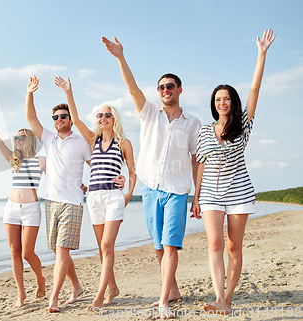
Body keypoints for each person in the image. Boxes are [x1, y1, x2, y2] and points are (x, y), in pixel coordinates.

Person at [103, 36, 201, 319]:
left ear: (179, 89)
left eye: (169, 86)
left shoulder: (192, 122)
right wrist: (121, 57)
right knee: (158, 246)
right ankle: (172, 290)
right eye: (161, 87)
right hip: (150, 188)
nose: (165, 90)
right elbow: (132, 88)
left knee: (170, 244)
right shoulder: (148, 113)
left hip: (177, 190)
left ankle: (163, 301)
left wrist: (197, 194)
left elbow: (196, 159)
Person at [190, 29, 275, 315]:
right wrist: (196, 196)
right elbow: (200, 163)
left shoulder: (243, 125)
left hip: (239, 190)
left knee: (233, 247)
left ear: (232, 102)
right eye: (217, 100)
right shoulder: (204, 131)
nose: (222, 103)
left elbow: (254, 90)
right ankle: (219, 298)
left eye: (226, 99)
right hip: (211, 192)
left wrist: (261, 54)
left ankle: (228, 297)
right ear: (213, 104)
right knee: (214, 243)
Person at [25, 76, 125, 313]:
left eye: (63, 116)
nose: (59, 120)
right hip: (50, 201)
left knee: (62, 251)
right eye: (56, 118)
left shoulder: (82, 142)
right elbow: (30, 118)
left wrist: (117, 180)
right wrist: (29, 93)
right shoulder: (48, 138)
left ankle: (54, 297)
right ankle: (78, 285)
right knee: (57, 250)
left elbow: (100, 164)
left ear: (70, 119)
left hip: (73, 203)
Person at [55, 76, 136, 312]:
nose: (102, 118)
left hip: (113, 197)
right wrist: (68, 92)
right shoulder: (92, 139)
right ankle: (113, 288)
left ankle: (99, 296)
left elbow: (132, 171)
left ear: (114, 119)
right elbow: (76, 118)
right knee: (102, 247)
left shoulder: (124, 142)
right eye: (100, 115)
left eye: (107, 115)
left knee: (107, 246)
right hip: (94, 198)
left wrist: (128, 192)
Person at [0, 102, 46, 308]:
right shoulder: (13, 159)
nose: (18, 140)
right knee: (14, 251)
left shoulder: (41, 160)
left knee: (27, 253)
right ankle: (21, 293)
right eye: (16, 138)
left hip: (32, 210)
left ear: (30, 140)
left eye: (22, 137)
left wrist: (82, 185)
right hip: (12, 209)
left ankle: (40, 279)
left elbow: (62, 172)